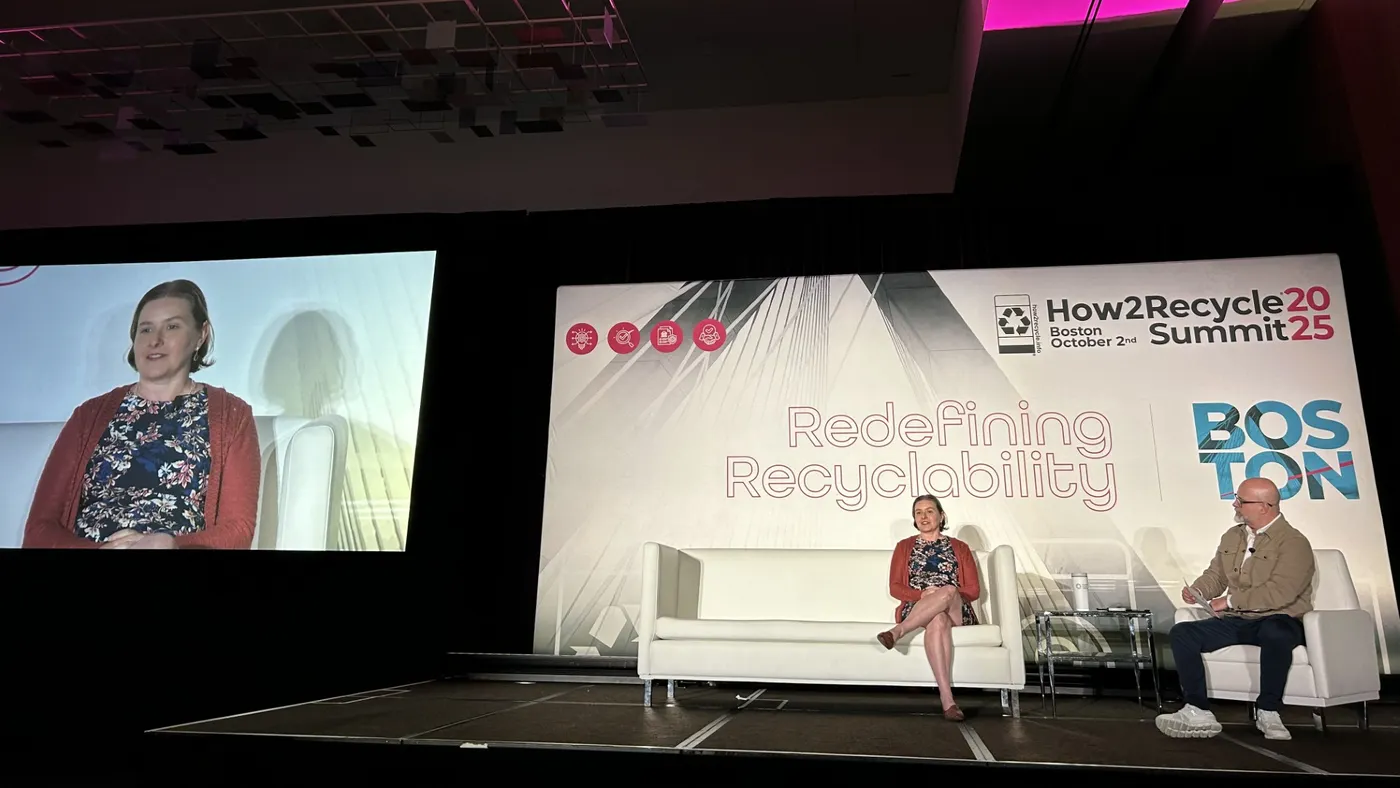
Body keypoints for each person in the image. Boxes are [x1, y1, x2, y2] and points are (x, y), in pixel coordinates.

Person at [22, 279, 261, 550]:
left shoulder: (232, 416)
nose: (155, 340)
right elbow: (39, 529)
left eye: (172, 326)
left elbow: (237, 531)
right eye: (145, 329)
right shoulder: (88, 416)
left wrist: (169, 544)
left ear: (201, 335)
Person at [1155, 477, 1315, 741]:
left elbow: (1280, 592)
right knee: (1183, 633)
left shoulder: (1294, 542)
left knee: (1276, 632)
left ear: (1265, 506)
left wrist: (1229, 601)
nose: (1235, 504)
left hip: (1280, 618)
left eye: (1241, 500)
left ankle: (1268, 710)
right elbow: (1216, 575)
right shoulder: (1232, 536)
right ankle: (1197, 709)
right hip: (1239, 620)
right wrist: (1199, 591)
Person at [876, 494, 981, 721]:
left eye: (929, 511)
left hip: (955, 608)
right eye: (918, 512)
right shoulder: (904, 547)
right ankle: (948, 700)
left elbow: (973, 590)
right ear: (914, 518)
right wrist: (922, 594)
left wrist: (945, 594)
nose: (924, 516)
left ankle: (898, 632)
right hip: (919, 609)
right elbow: (895, 587)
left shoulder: (960, 548)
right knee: (938, 620)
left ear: (941, 515)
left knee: (949, 590)